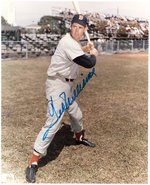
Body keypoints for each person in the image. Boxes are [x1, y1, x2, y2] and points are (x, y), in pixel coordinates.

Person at [25, 14, 98, 183]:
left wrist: (86, 49)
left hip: (68, 86)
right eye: (74, 26)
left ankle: (78, 138)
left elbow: (77, 54)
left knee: (77, 114)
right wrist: (93, 53)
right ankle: (33, 163)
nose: (76, 30)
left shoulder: (74, 43)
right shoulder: (67, 41)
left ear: (85, 29)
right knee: (53, 122)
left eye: (80, 28)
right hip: (57, 85)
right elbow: (88, 63)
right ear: (70, 27)